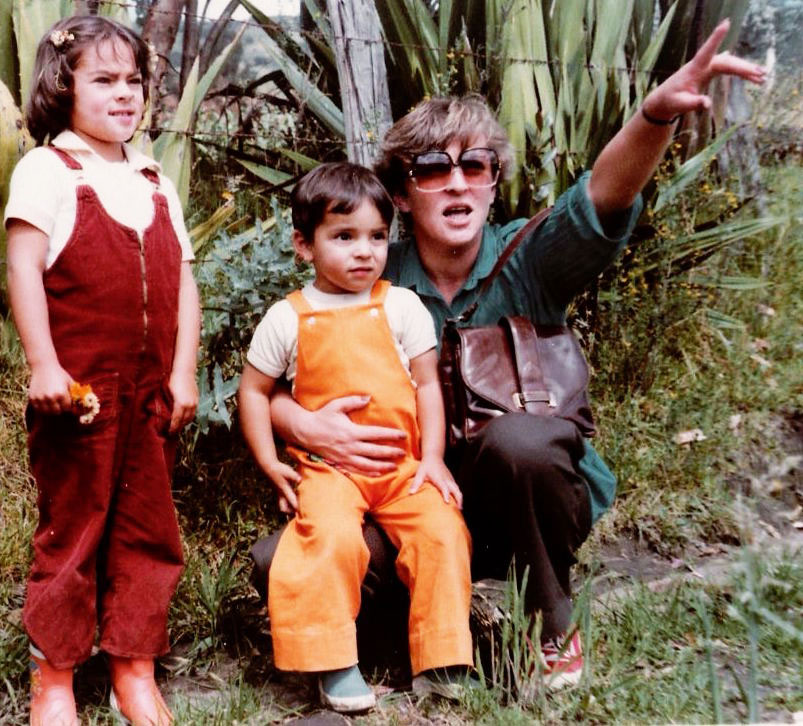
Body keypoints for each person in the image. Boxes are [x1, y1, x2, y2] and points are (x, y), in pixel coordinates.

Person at [267, 20, 767, 689]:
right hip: (408, 500)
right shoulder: (365, 268)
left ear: (493, 183)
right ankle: (416, 632)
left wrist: (652, 116)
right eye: (432, 168)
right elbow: (278, 363)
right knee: (277, 558)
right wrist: (295, 421)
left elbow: (602, 197)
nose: (455, 184)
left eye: (474, 166)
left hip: (522, 498)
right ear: (399, 191)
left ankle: (552, 618)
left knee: (522, 443)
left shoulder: (528, 258)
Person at [4, 15, 200, 726]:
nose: (126, 95)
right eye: (105, 80)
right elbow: (23, 266)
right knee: (75, 527)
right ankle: (54, 677)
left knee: (148, 528)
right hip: (79, 394)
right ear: (63, 86)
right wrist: (43, 364)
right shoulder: (48, 170)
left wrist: (184, 372)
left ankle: (133, 668)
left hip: (151, 395)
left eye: (135, 82)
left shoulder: (153, 181)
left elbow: (184, 280)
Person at [238, 162, 473, 712]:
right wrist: (271, 463)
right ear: (304, 245)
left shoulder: (401, 306)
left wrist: (433, 457)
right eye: (343, 237)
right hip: (328, 470)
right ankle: (332, 662)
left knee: (442, 529)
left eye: (375, 237)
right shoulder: (288, 318)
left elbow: (427, 386)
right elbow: (253, 392)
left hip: (400, 466)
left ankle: (441, 659)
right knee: (329, 540)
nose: (363, 252)